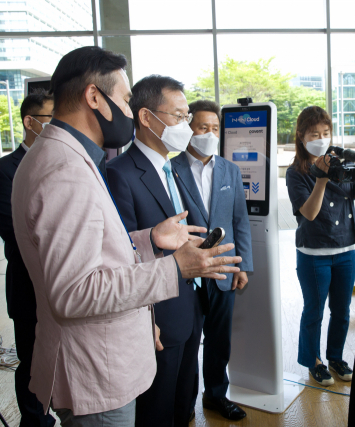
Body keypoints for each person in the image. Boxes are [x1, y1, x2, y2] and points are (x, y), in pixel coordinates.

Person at [10, 46, 242, 426]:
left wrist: (148, 239)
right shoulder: (64, 169)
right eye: (125, 98)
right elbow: (76, 291)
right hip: (96, 370)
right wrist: (176, 267)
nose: (130, 110)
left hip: (104, 355)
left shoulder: (70, 157)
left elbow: (90, 250)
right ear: (94, 97)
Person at [106, 75, 208, 427]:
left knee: (184, 401)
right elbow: (121, 254)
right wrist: (146, 320)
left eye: (187, 116)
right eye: (179, 117)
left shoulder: (172, 167)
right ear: (146, 117)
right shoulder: (120, 173)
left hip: (189, 302)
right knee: (158, 409)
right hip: (157, 316)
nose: (187, 126)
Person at [171, 99, 253, 421]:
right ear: (189, 129)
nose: (209, 133)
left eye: (215, 128)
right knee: (189, 339)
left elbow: (240, 222)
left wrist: (242, 265)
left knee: (219, 339)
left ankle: (216, 395)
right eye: (203, 127)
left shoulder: (230, 169)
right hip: (187, 271)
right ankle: (184, 401)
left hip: (222, 269)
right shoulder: (171, 169)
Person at [286, 106, 355, 386]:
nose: (321, 138)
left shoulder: (339, 162)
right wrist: (321, 180)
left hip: (346, 249)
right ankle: (313, 361)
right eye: (314, 133)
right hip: (314, 253)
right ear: (301, 136)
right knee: (314, 310)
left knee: (342, 310)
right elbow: (308, 214)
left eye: (325, 133)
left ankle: (335, 357)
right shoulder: (296, 173)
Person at [0, 89, 55, 427]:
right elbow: (17, 237)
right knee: (33, 365)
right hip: (29, 290)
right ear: (30, 122)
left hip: (67, 290)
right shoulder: (3, 172)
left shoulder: (64, 162)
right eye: (50, 120)